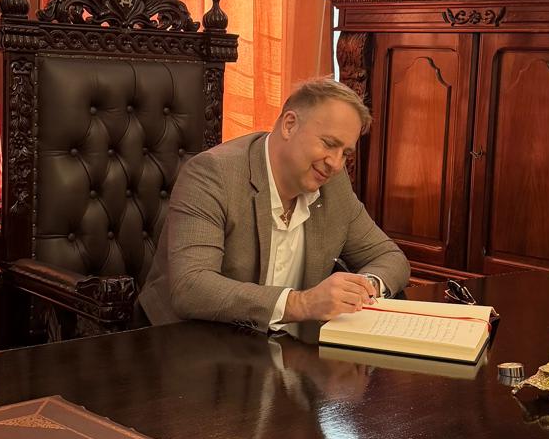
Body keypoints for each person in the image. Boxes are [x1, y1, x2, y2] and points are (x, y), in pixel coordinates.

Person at [138, 77, 409, 329]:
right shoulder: (212, 174)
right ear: (289, 125)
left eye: (346, 153)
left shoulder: (334, 186)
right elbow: (191, 287)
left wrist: (363, 288)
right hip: (186, 341)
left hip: (279, 347)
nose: (336, 164)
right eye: (329, 144)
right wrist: (302, 304)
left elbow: (390, 257)